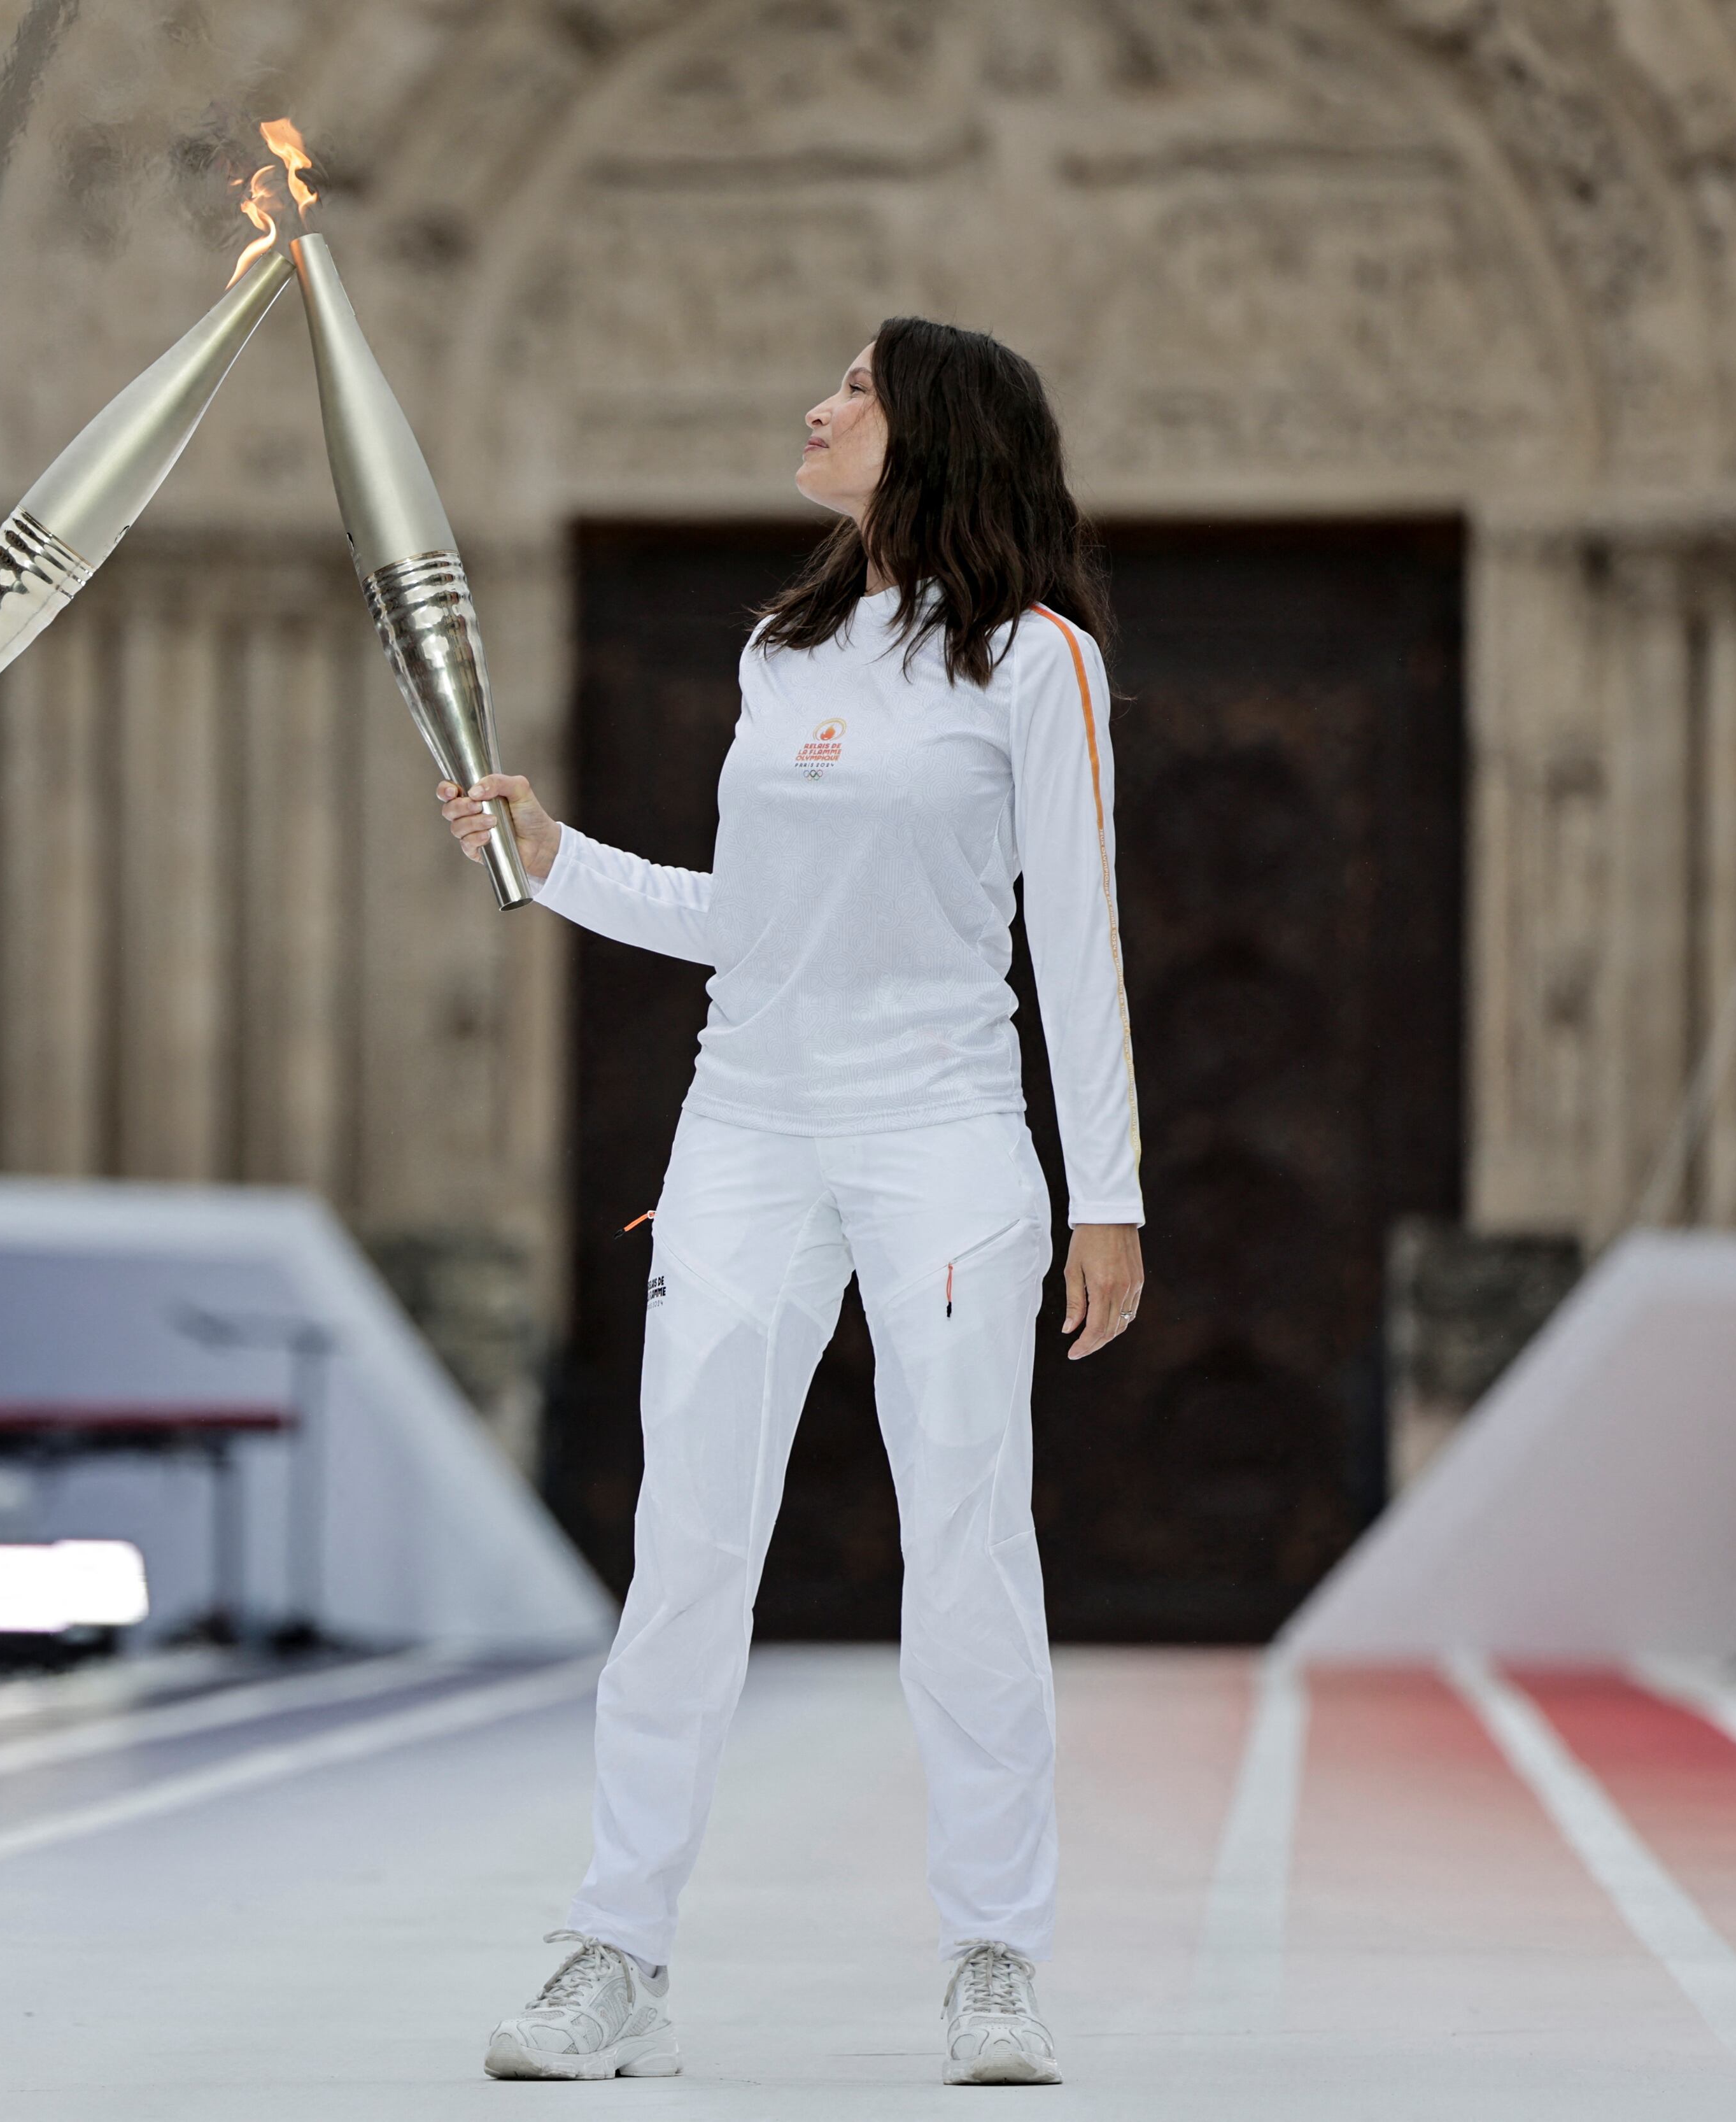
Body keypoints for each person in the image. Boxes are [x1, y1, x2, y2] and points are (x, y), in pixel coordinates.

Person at [451, 320, 1145, 2090]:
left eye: (856, 388)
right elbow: (745, 922)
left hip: (946, 1126)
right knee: (689, 1534)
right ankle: (619, 1948)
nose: (819, 408)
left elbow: (1076, 935)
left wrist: (1107, 1192)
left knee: (969, 1540)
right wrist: (558, 861)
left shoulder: (1038, 665)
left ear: (934, 436)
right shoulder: (786, 646)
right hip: (748, 1116)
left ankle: (995, 1952)